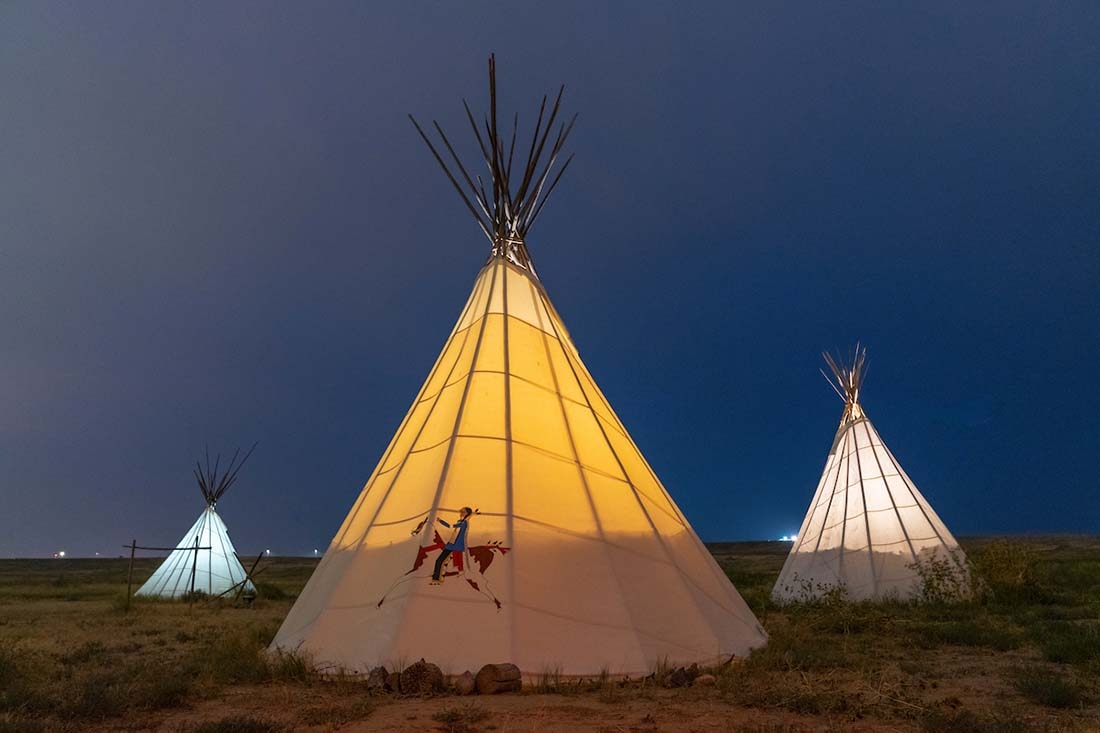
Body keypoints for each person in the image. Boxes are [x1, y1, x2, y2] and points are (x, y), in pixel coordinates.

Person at [430, 507, 473, 584]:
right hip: (452, 544)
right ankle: (436, 578)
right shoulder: (461, 522)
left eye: (463, 512)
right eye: (461, 511)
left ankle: (437, 578)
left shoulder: (464, 523)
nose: (461, 513)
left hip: (456, 545)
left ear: (467, 514)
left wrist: (441, 521)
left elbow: (450, 526)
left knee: (441, 561)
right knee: (439, 560)